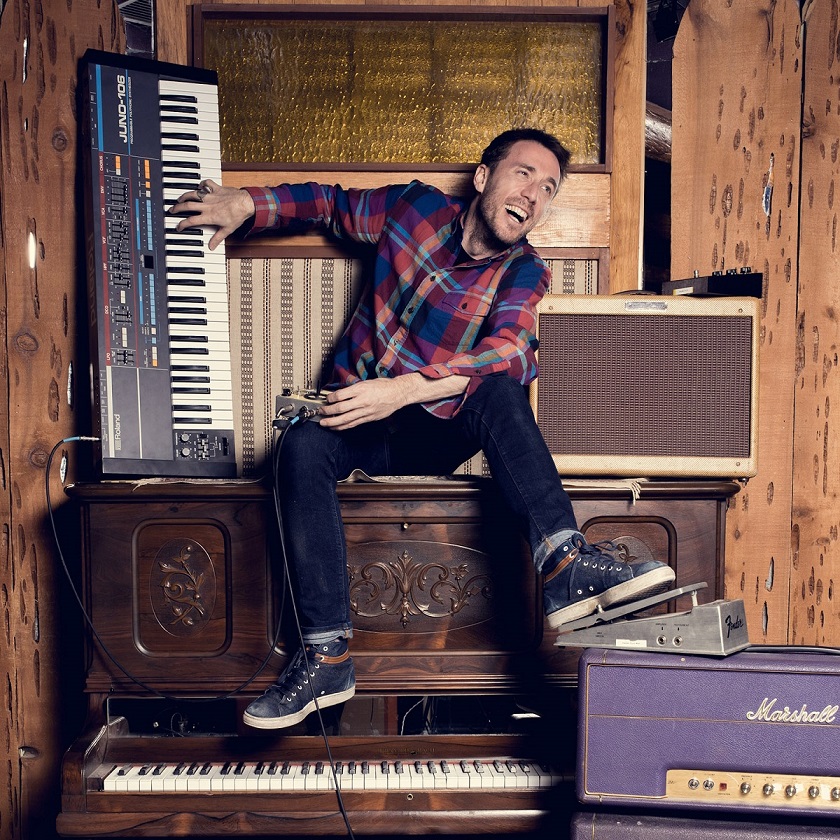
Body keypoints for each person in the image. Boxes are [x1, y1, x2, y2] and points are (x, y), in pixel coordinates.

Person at [172, 128, 675, 730]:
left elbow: (512, 350)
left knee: (499, 385)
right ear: (483, 178)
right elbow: (330, 203)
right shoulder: (413, 208)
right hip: (357, 420)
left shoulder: (525, 272)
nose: (533, 195)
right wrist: (248, 204)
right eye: (523, 174)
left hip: (436, 429)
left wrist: (403, 389)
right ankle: (326, 656)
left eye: (548, 189)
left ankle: (566, 565)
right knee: (299, 444)